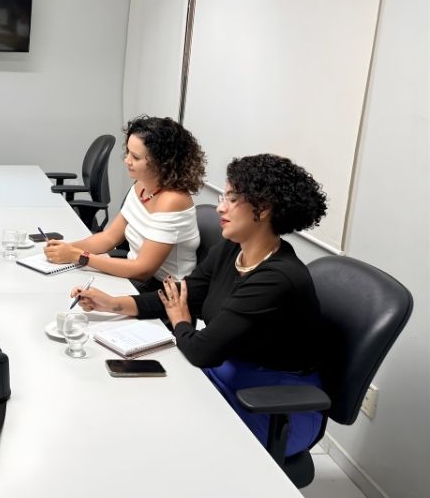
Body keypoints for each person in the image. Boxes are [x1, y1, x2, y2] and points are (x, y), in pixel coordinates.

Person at [73, 154, 328, 455]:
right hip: (227, 373)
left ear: (263, 209)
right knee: (133, 412)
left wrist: (180, 321)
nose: (221, 206)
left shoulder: (277, 278)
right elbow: (182, 293)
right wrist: (115, 303)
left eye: (232, 198)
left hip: (274, 405)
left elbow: (201, 349)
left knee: (163, 440)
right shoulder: (233, 248)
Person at [44, 115, 206, 291]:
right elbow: (109, 238)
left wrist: (79, 256)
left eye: (136, 157)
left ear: (162, 163)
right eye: (127, 152)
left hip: (165, 291)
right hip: (135, 277)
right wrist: (66, 248)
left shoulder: (172, 201)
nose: (127, 161)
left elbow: (143, 270)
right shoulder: (141, 186)